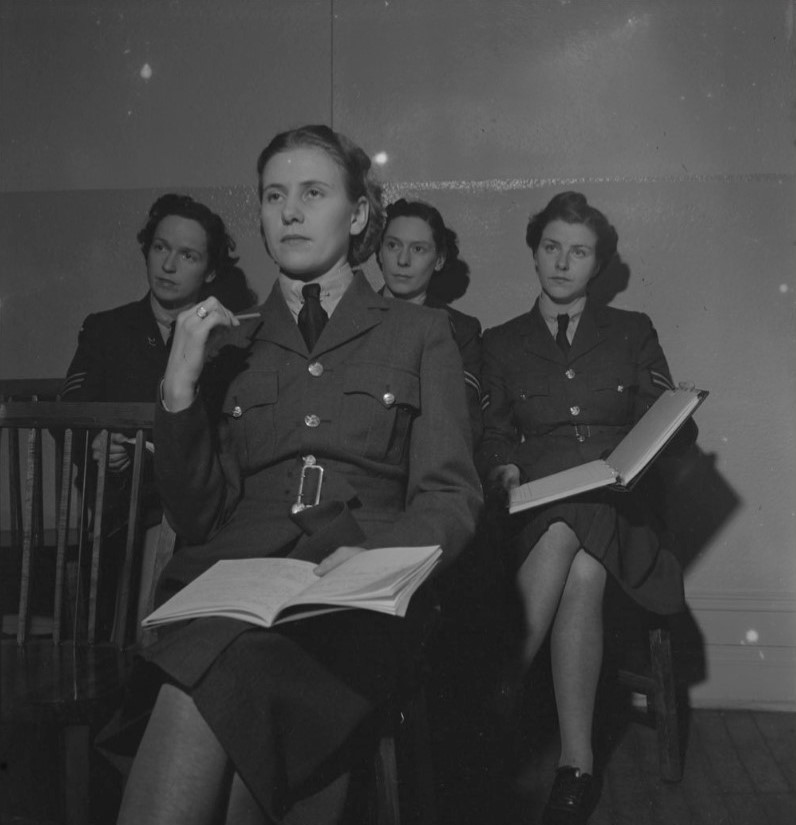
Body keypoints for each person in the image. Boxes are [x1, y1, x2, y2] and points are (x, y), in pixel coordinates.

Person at [109, 125, 482, 825]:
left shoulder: (420, 333)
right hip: (233, 593)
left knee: (205, 682)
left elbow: (451, 495)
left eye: (313, 193)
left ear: (359, 213)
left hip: (357, 606)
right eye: (274, 195)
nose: (290, 211)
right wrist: (180, 387)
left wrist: (376, 559)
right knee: (222, 665)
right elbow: (200, 518)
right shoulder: (232, 342)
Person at [478, 191, 691, 825]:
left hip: (621, 509)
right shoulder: (499, 342)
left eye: (579, 252)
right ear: (534, 253)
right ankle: (578, 763)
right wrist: (503, 465)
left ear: (598, 266)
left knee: (582, 530)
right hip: (535, 507)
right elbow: (490, 430)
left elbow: (670, 428)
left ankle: (491, 700)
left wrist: (672, 424)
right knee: (579, 558)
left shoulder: (633, 331)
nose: (562, 263)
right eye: (551, 248)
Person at [378, 198, 483, 444]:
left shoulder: (462, 331)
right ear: (380, 252)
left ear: (439, 260)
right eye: (393, 245)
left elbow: (463, 426)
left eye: (418, 249)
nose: (403, 260)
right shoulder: (350, 318)